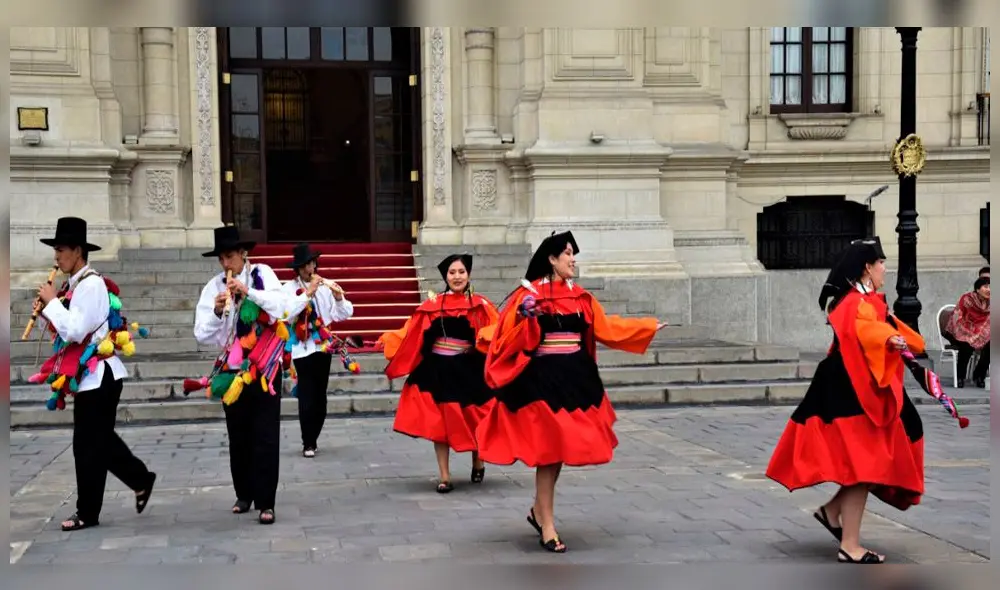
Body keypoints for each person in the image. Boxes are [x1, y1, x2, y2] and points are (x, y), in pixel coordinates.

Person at [475, 231, 667, 553]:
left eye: (573, 254)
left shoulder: (581, 297)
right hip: (542, 381)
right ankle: (547, 524)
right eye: (567, 253)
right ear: (552, 259)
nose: (573, 259)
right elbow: (509, 335)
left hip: (576, 379)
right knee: (548, 453)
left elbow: (607, 328)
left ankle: (539, 512)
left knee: (559, 450)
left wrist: (645, 327)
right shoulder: (529, 295)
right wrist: (527, 317)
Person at [766, 237, 926, 564]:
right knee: (863, 466)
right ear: (867, 267)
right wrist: (889, 337)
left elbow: (877, 328)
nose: (885, 269)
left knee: (864, 464)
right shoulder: (855, 303)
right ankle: (850, 546)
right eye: (881, 263)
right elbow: (866, 331)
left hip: (856, 388)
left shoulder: (866, 300)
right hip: (851, 392)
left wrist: (895, 335)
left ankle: (832, 511)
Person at [31, 217, 156, 532]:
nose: (56, 257)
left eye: (61, 250)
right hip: (88, 378)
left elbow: (75, 329)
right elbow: (64, 330)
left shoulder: (91, 284)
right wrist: (47, 310)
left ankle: (88, 511)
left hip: (100, 376)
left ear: (77, 251)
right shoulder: (74, 286)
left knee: (89, 445)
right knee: (96, 442)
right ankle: (140, 479)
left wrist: (51, 304)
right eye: (56, 250)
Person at [192, 225, 308, 525]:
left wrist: (248, 293)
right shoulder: (212, 288)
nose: (225, 264)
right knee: (238, 435)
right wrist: (218, 312)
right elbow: (201, 335)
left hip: (265, 367)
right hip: (232, 370)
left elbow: (281, 308)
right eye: (221, 259)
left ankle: (266, 501)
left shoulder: (264, 274)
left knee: (266, 436)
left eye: (230, 256)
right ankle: (244, 493)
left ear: (243, 254)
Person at [377, 254, 498, 492]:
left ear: (469, 275)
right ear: (445, 277)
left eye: (461, 272)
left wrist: (485, 336)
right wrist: (391, 339)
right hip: (438, 370)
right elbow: (411, 331)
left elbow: (497, 329)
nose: (457, 277)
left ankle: (478, 459)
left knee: (476, 416)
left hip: (469, 368)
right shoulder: (432, 306)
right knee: (439, 424)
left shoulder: (481, 305)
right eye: (452, 273)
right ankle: (445, 476)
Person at [280, 243, 354, 458]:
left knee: (320, 396)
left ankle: (314, 435)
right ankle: (308, 442)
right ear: (297, 268)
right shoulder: (288, 288)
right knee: (306, 393)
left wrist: (339, 297)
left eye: (311, 264)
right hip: (302, 347)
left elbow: (342, 314)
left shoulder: (324, 286)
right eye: (303, 265)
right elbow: (286, 314)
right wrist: (307, 293)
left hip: (323, 345)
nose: (308, 269)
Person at [943, 276, 990, 388]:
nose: (989, 290)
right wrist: (968, 334)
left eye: (991, 287)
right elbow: (956, 318)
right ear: (977, 289)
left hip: (980, 334)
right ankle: (960, 377)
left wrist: (979, 334)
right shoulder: (966, 299)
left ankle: (979, 375)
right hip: (959, 331)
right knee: (967, 344)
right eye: (986, 286)